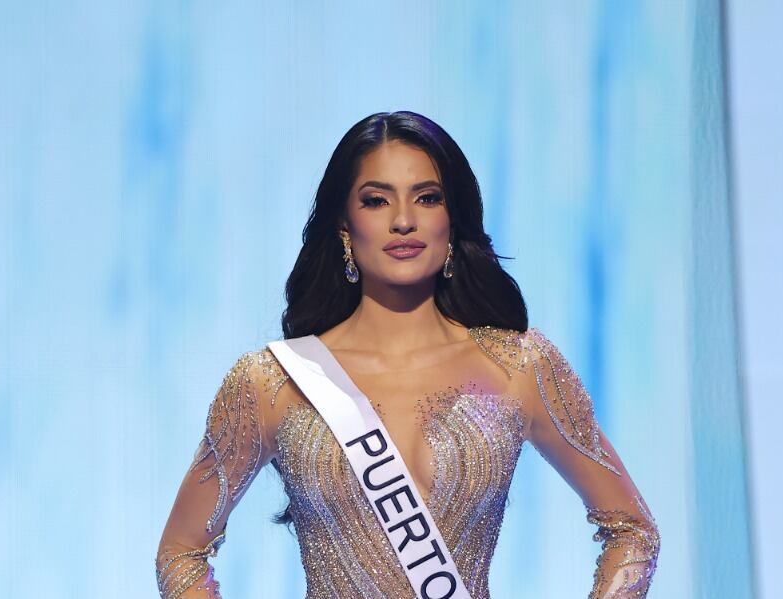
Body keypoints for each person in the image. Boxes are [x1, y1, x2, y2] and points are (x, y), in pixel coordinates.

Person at [154, 111, 660, 599]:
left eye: (427, 198)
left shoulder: (520, 367)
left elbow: (633, 530)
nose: (403, 221)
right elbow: (180, 552)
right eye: (376, 201)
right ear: (344, 227)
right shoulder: (272, 382)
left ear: (453, 220)